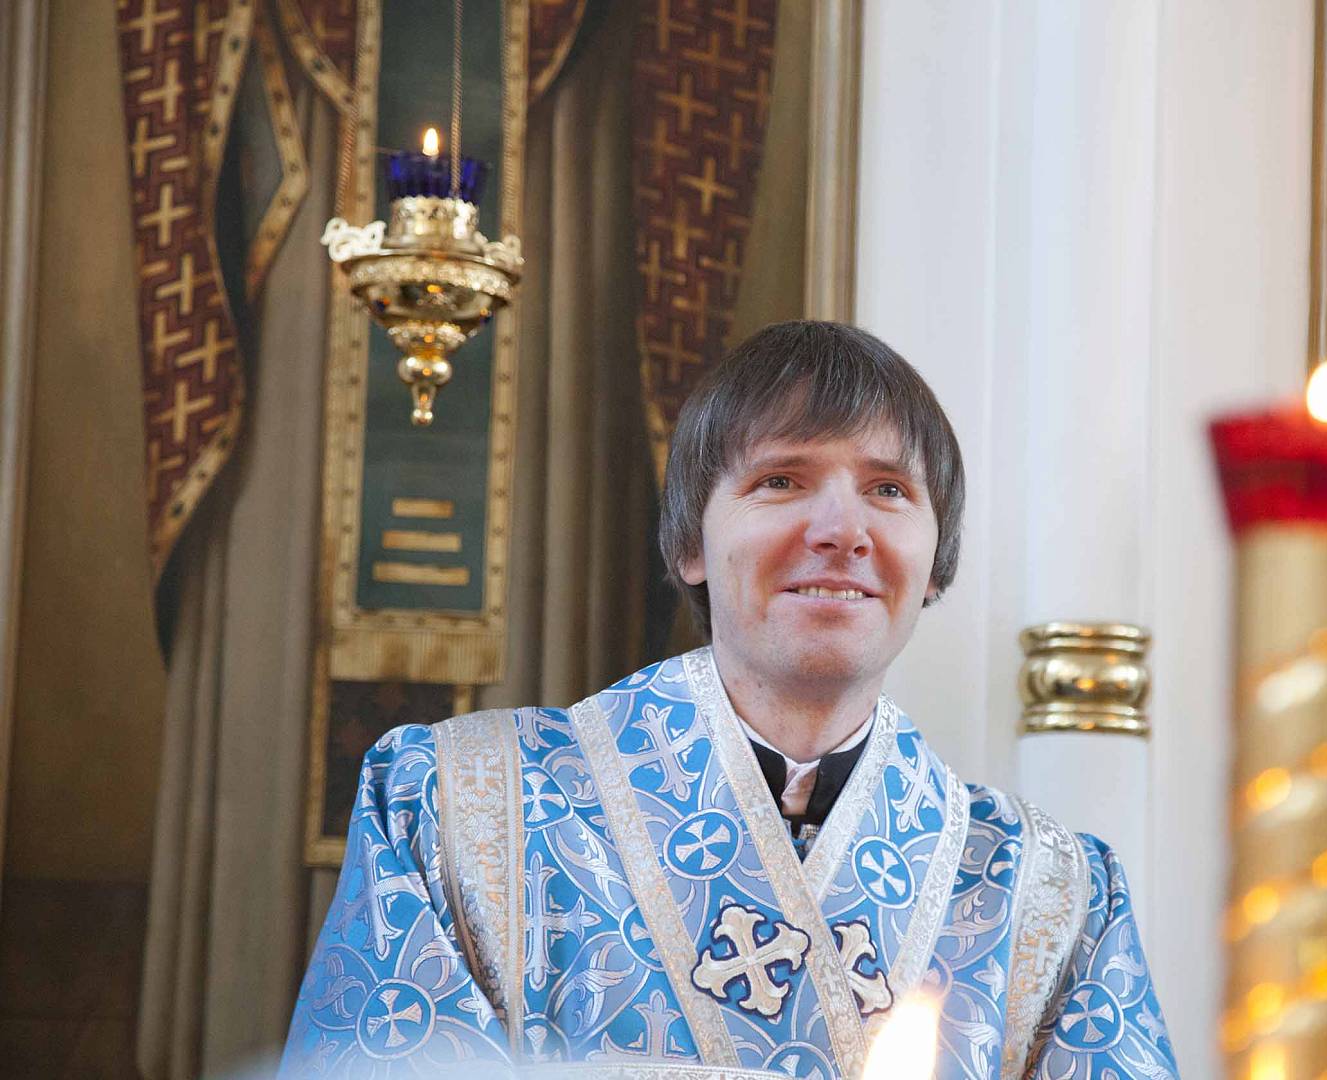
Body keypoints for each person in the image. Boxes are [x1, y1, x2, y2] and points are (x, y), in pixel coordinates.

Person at [280, 321, 1178, 1078]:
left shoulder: (1050, 898)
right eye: (781, 480)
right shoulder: (457, 808)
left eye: (889, 490)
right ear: (691, 546)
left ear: (935, 565)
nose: (843, 532)